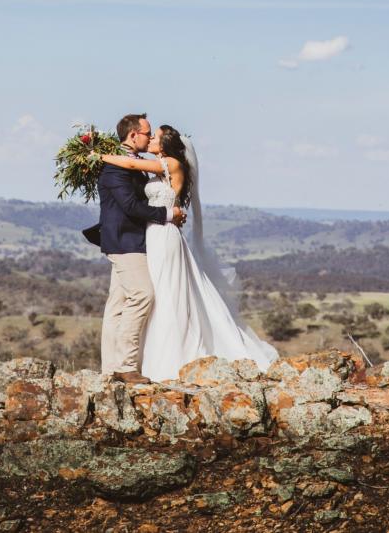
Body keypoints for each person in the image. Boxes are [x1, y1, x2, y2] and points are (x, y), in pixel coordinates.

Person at [101, 124, 278, 382]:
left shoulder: (171, 163)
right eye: (148, 134)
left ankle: (168, 356)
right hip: (151, 235)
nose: (150, 139)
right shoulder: (160, 163)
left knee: (165, 293)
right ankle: (134, 361)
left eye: (155, 137)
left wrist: (99, 155)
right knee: (156, 295)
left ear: (164, 144)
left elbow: (129, 166)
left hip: (163, 235)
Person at [97, 113, 186, 385]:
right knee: (142, 295)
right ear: (133, 134)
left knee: (119, 303)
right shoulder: (116, 167)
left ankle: (111, 367)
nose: (149, 139)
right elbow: (131, 207)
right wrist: (168, 214)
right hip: (126, 241)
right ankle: (125, 365)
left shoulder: (141, 163)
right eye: (147, 133)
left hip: (136, 239)